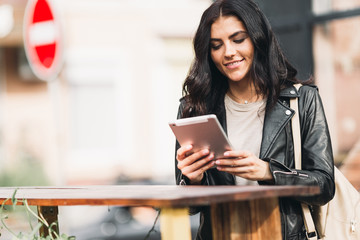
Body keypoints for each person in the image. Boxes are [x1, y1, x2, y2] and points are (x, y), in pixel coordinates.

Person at [174, 0, 335, 239]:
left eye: (238, 39)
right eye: (216, 45)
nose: (228, 52)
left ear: (258, 39)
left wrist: (268, 172)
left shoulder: (301, 100)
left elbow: (324, 186)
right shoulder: (195, 108)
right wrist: (192, 179)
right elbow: (189, 207)